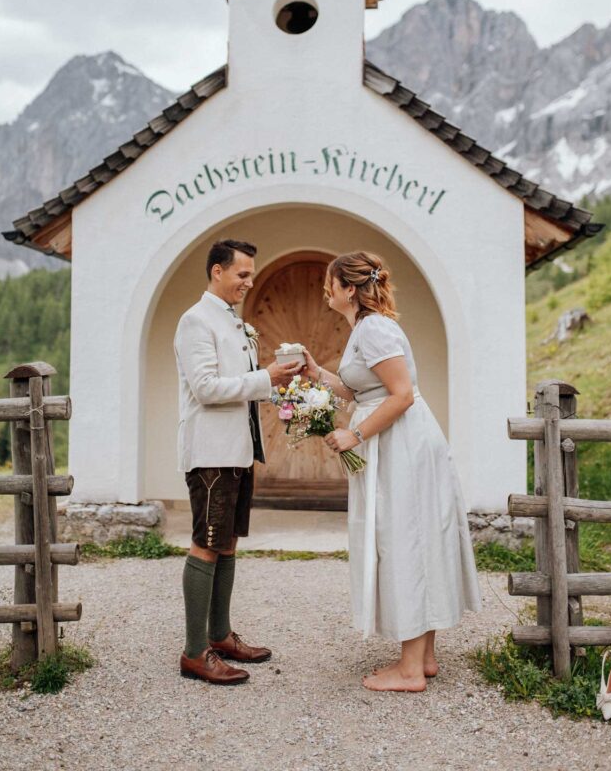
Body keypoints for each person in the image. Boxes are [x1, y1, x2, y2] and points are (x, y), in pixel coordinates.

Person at [303, 251, 481, 692]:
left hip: (404, 444)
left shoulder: (376, 328)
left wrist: (355, 435)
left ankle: (408, 670)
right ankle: (424, 657)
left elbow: (400, 395)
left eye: (331, 283)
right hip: (400, 442)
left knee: (406, 541)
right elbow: (362, 389)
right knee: (417, 538)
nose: (327, 291)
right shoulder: (365, 329)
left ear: (349, 288)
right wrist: (316, 373)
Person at [174, 238, 301, 685]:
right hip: (210, 452)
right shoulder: (195, 321)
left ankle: (221, 635)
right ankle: (194, 652)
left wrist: (277, 382)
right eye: (242, 274)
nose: (249, 282)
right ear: (217, 272)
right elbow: (207, 388)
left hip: (238, 451)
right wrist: (264, 377)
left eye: (251, 274)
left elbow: (241, 383)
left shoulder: (233, 322)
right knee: (207, 542)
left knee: (227, 542)